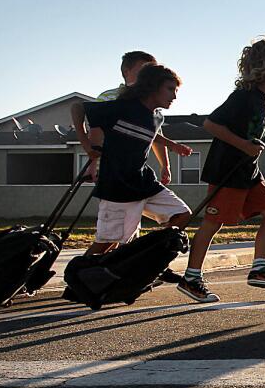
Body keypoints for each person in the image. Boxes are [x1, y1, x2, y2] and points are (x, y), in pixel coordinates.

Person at [177, 37, 265, 304]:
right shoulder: (244, 97)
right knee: (213, 222)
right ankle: (191, 277)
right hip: (228, 172)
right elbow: (211, 124)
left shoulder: (263, 100)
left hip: (249, 173)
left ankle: (259, 269)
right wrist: (243, 145)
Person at [71, 65, 193, 261]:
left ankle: (140, 258)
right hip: (117, 186)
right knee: (106, 243)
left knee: (182, 215)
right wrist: (86, 146)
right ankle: (78, 279)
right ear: (153, 86)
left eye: (176, 91)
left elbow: (149, 134)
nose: (174, 96)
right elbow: (77, 108)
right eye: (170, 89)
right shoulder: (122, 108)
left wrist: (172, 145)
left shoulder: (157, 117)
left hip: (144, 182)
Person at [87, 51, 192, 189]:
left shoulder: (152, 103)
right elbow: (96, 131)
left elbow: (153, 134)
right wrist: (92, 165)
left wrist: (165, 165)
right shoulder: (110, 98)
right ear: (127, 71)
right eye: (145, 69)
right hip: (110, 169)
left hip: (135, 169)